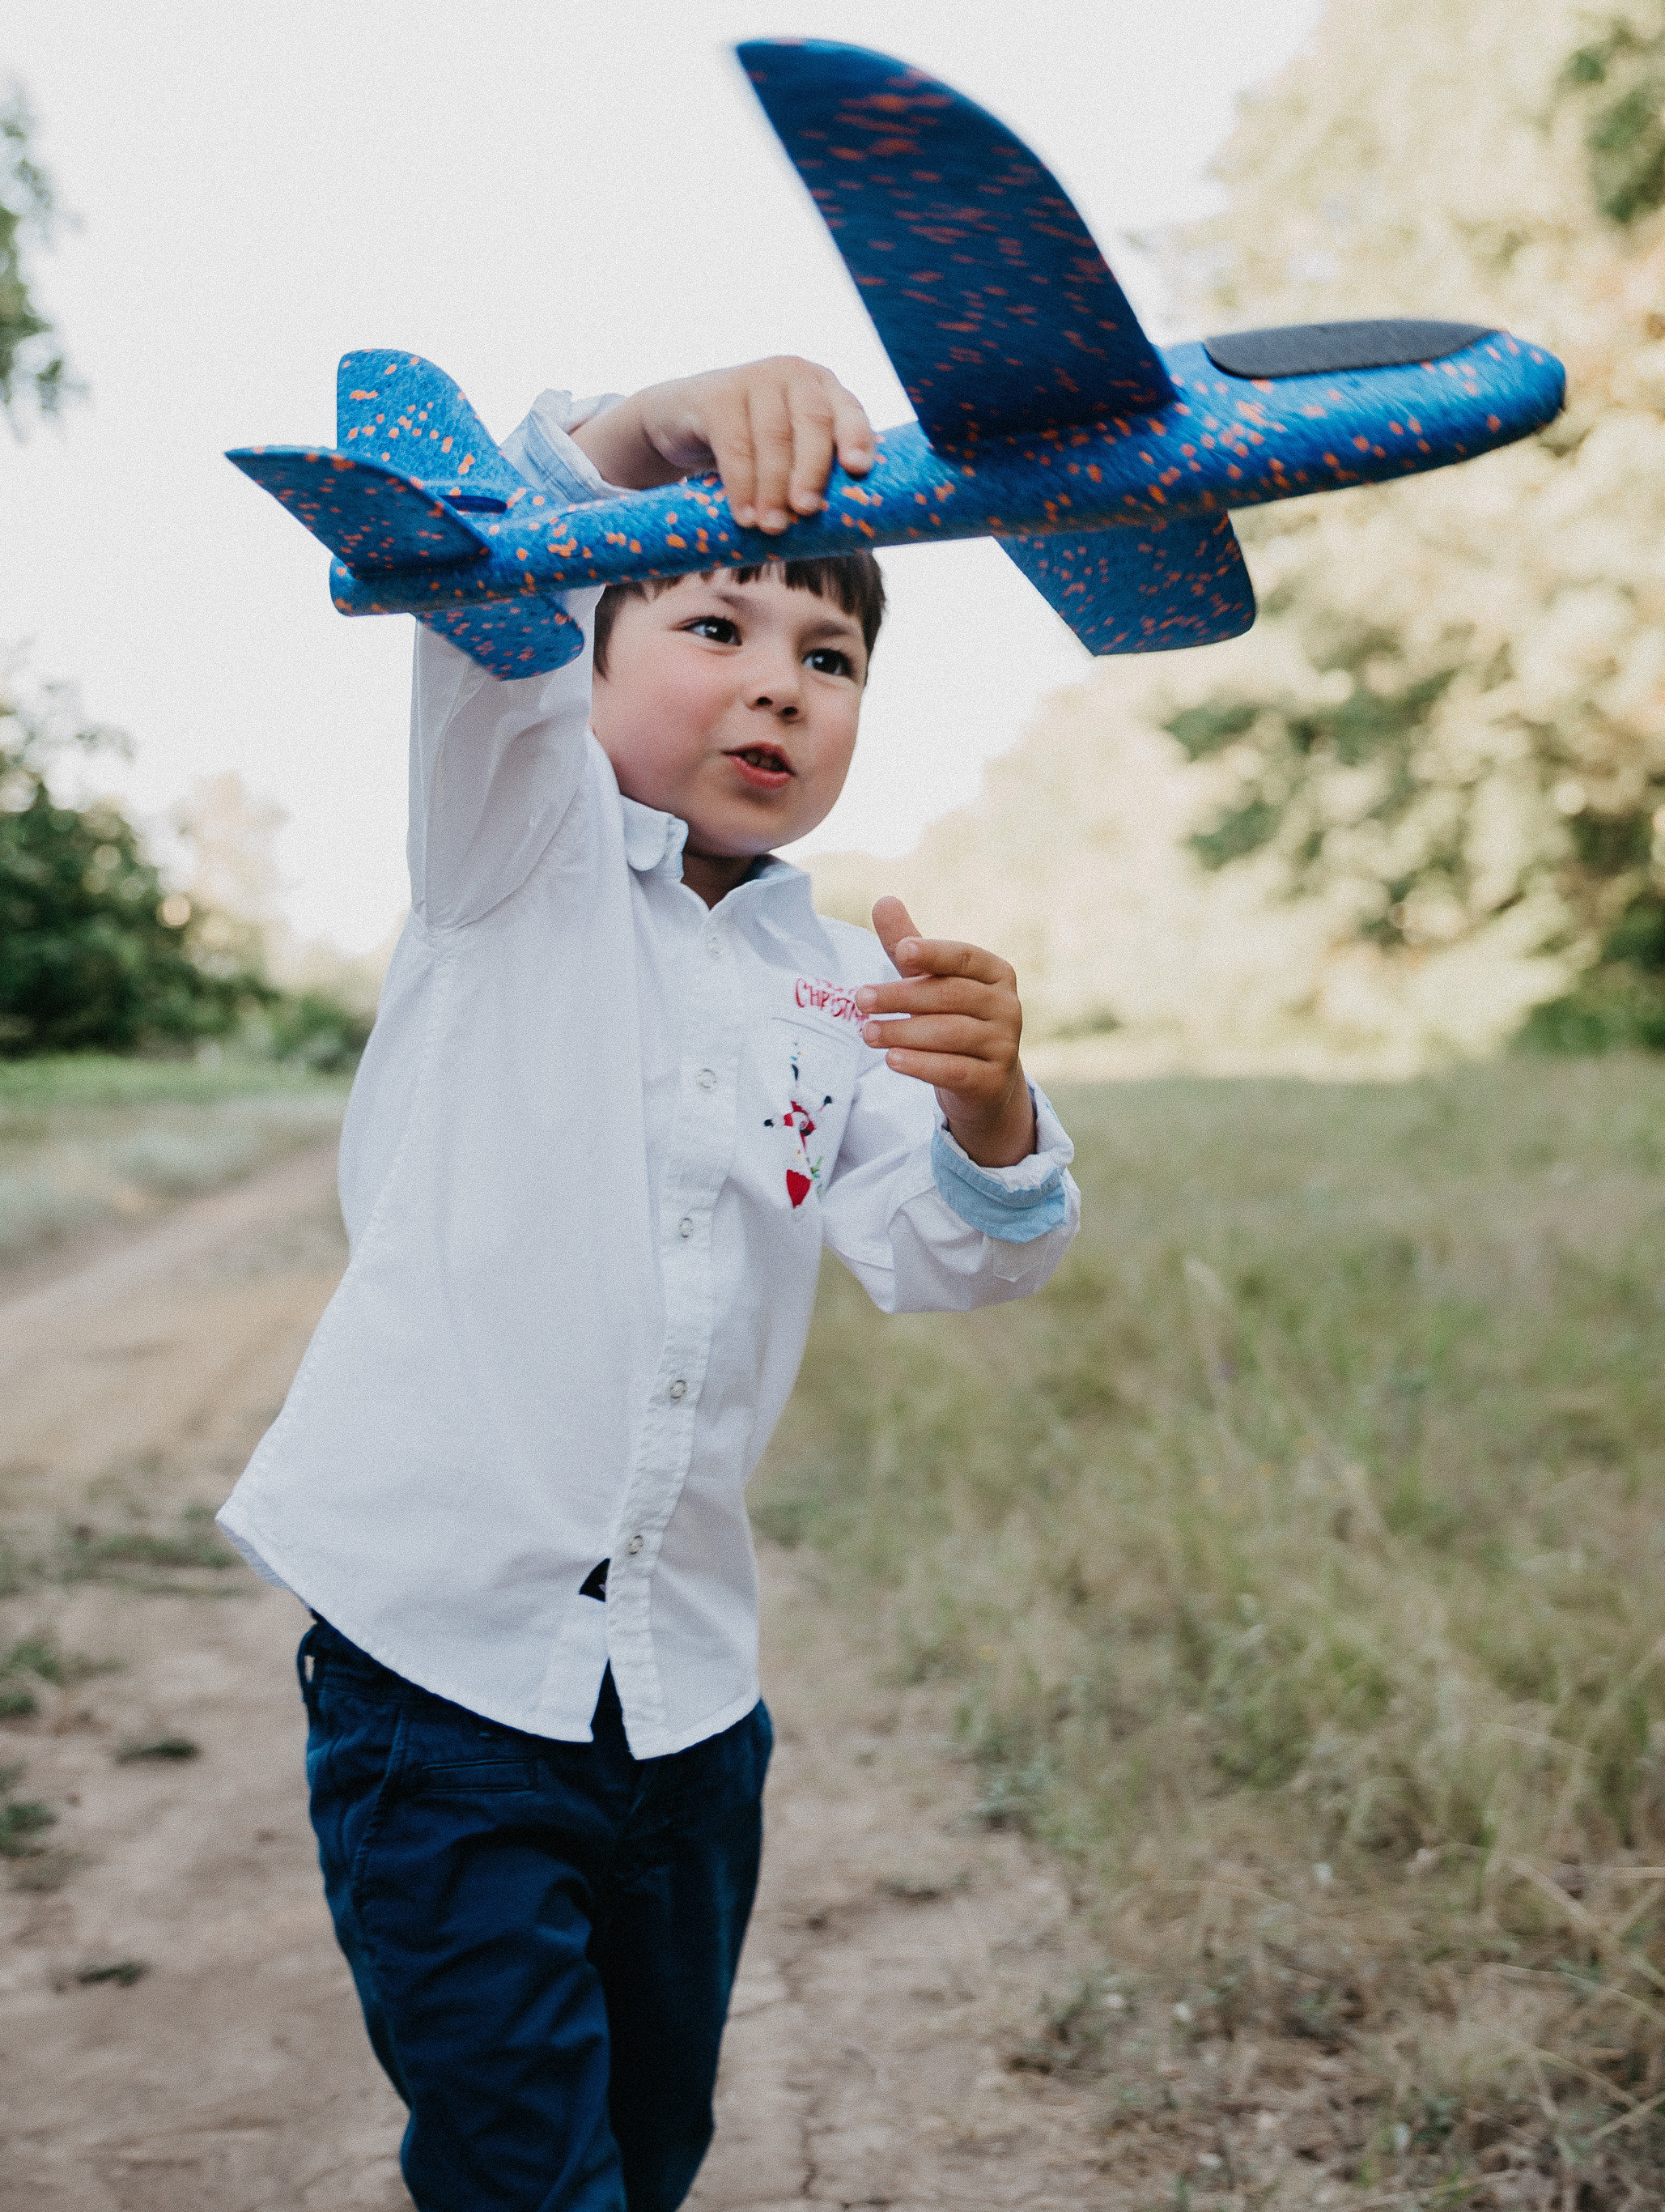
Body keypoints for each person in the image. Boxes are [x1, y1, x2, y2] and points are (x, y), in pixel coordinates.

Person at [218, 354, 1081, 2212]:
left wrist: (995, 1108)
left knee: (654, 2146)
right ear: (592, 669)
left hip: (685, 1708)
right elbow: (491, 613)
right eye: (711, 618)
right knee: (533, 2172)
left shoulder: (839, 981)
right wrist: (649, 433)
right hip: (439, 1689)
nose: (776, 677)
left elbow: (950, 1260)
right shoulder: (512, 858)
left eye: (829, 657)